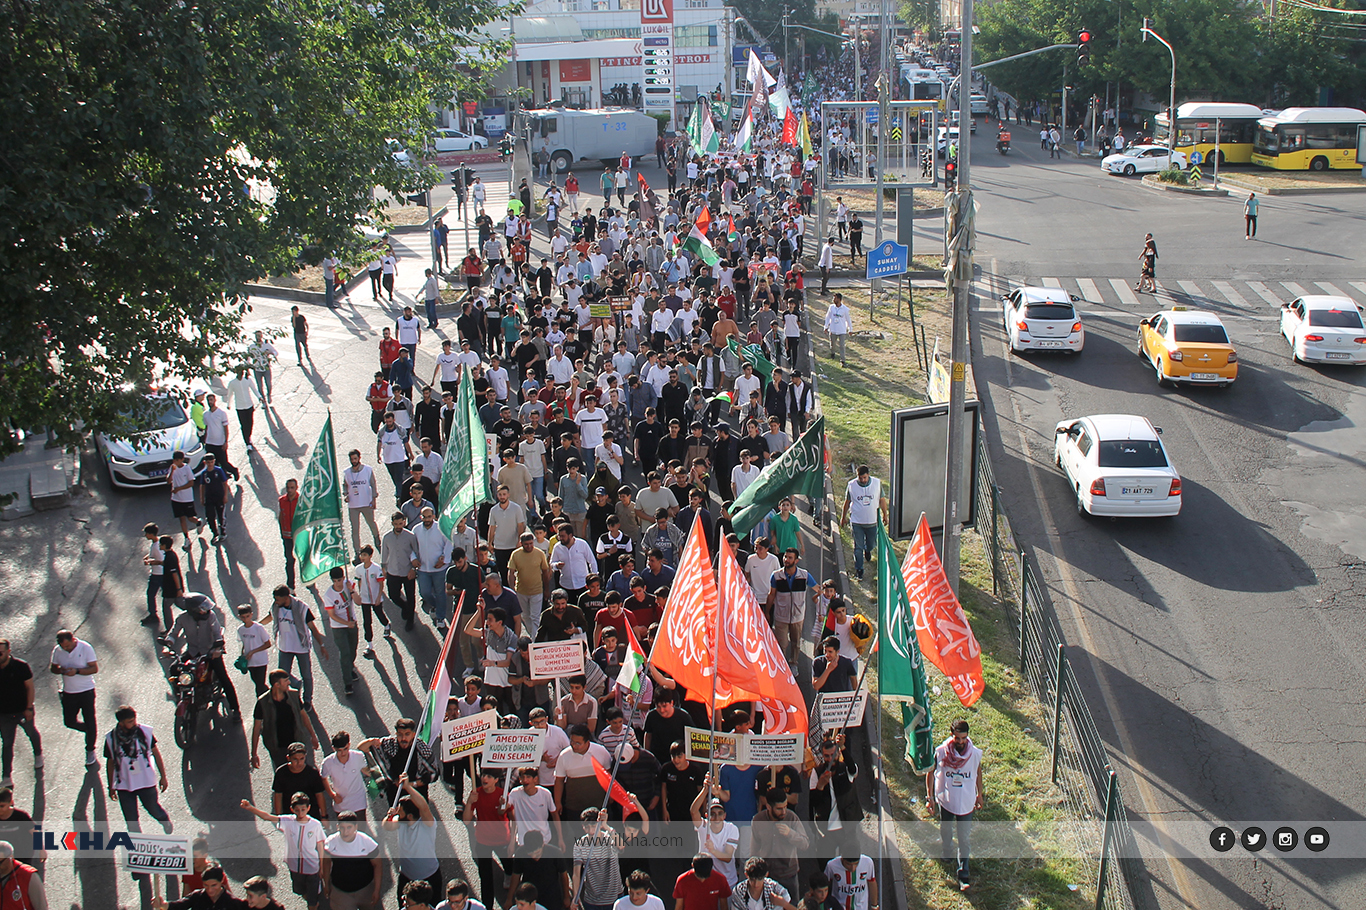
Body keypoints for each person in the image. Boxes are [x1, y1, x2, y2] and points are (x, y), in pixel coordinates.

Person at [926, 719, 983, 891]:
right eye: (957, 738)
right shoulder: (941, 752)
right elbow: (930, 772)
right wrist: (930, 797)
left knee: (964, 838)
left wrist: (979, 795)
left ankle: (963, 874)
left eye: (963, 738)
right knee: (946, 829)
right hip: (947, 800)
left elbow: (978, 772)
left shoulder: (974, 754)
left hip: (966, 802)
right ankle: (947, 851)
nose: (960, 742)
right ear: (952, 735)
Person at [242, 793, 326, 910]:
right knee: (300, 890)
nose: (301, 813)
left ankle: (313, 905)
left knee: (312, 899)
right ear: (292, 809)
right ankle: (312, 901)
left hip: (312, 868)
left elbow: (320, 844)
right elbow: (267, 817)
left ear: (308, 808)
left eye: (303, 809)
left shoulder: (315, 825)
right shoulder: (288, 821)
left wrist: (322, 866)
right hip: (294, 867)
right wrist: (250, 808)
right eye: (297, 810)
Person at [166, 593, 242, 717]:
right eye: (202, 610)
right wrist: (167, 644)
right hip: (193, 652)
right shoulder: (182, 619)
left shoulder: (211, 616)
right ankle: (180, 695)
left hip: (210, 652)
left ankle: (235, 710)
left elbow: (217, 633)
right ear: (193, 611)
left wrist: (218, 648)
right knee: (174, 669)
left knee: (224, 678)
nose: (205, 611)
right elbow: (173, 633)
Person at [104, 705, 172, 832]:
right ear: (121, 723)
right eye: (130, 722)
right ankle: (137, 845)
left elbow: (156, 754)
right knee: (131, 821)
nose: (134, 723)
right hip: (124, 785)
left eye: (134, 719)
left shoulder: (145, 733)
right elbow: (111, 763)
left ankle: (163, 819)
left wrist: (163, 776)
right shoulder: (111, 739)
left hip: (145, 782)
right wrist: (111, 786)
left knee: (153, 808)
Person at [387, 774, 444, 899]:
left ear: (409, 816)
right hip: (406, 877)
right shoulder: (399, 821)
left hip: (429, 877)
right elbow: (386, 826)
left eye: (400, 811)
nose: (397, 812)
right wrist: (389, 816)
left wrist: (408, 787)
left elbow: (423, 806)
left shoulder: (427, 824)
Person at [272, 585, 329, 709]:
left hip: (301, 647)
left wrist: (322, 645)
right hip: (285, 647)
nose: (276, 601)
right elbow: (270, 617)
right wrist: (256, 626)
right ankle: (296, 684)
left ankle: (307, 700)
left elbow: (313, 628)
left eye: (278, 599)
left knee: (307, 675)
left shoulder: (302, 608)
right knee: (282, 674)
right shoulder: (277, 607)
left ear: (286, 597)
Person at [251, 669, 318, 773]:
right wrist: (254, 754)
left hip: (297, 743)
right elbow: (256, 728)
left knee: (302, 773)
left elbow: (304, 716)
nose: (289, 683)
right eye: (286, 680)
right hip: (277, 748)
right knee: (284, 777)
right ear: (277, 684)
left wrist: (313, 735)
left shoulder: (294, 696)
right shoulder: (262, 703)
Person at [460, 768, 508, 907]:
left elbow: (512, 817)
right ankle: (487, 906)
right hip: (483, 841)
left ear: (496, 780)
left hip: (502, 839)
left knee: (509, 865)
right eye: (483, 775)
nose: (484, 778)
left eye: (489, 776)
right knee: (485, 877)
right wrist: (469, 802)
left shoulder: (503, 795)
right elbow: (467, 820)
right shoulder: (476, 794)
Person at [50, 629, 98, 766]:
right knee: (69, 721)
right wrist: (61, 670)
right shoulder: (57, 651)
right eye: (63, 647)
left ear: (73, 640)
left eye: (68, 646)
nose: (65, 649)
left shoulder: (85, 648)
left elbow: (94, 668)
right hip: (69, 692)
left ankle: (90, 749)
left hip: (86, 691)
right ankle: (89, 731)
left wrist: (76, 671)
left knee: (90, 718)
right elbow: (53, 668)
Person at [748, 789, 808, 898]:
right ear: (769, 807)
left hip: (788, 874)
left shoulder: (791, 817)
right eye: (779, 809)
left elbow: (805, 844)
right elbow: (754, 850)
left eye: (785, 806)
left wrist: (790, 833)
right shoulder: (758, 820)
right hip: (766, 876)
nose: (784, 811)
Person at [322, 811, 383, 910]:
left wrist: (376, 890)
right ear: (337, 826)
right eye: (342, 828)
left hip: (365, 890)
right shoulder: (331, 842)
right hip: (340, 892)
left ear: (356, 827)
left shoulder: (368, 843)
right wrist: (326, 883)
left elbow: (378, 865)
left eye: (349, 827)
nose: (345, 832)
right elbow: (326, 863)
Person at [0, 641, 40, 789]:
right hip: (4, 714)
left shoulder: (21, 667)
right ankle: (6, 776)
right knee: (7, 743)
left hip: (22, 710)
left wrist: (29, 708)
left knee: (31, 733)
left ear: (8, 651)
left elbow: (29, 687)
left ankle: (38, 754)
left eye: (0, 653)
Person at [839, 465, 887, 580]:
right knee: (857, 547)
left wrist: (885, 514)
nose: (863, 480)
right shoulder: (851, 485)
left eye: (865, 478)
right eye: (860, 478)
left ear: (868, 475)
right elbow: (847, 501)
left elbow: (882, 500)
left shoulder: (876, 483)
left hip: (872, 522)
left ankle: (868, 549)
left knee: (871, 543)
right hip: (857, 522)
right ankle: (859, 569)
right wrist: (843, 516)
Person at [691, 783, 740, 888]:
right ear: (707, 815)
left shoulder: (732, 829)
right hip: (706, 879)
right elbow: (693, 811)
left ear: (725, 815)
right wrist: (705, 789)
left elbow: (727, 857)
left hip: (727, 881)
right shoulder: (703, 825)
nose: (716, 817)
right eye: (712, 814)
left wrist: (712, 850)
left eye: (720, 813)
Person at [728, 858, 795, 910]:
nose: (756, 884)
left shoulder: (775, 888)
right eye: (752, 879)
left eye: (760, 879)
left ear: (766, 875)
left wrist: (784, 904)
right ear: (746, 875)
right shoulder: (738, 891)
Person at [278, 478, 300, 590]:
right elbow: (280, 516)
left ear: (297, 488)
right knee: (289, 560)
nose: (290, 490)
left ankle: (308, 579)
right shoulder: (282, 500)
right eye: (288, 488)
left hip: (299, 535)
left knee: (303, 558)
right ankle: (291, 586)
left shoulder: (301, 500)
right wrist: (281, 531)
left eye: (292, 488)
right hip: (287, 536)